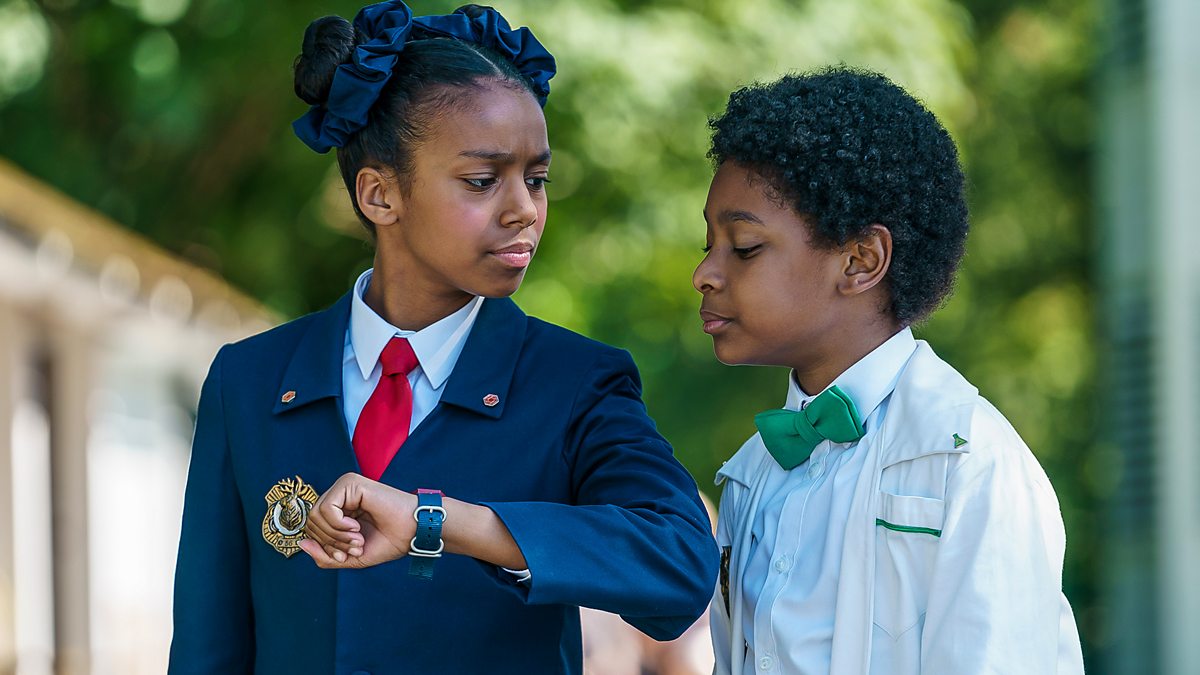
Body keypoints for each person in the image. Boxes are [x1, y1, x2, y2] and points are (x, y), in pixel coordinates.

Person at [167, 2, 717, 674]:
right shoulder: (248, 380)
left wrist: (442, 522)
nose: (525, 209)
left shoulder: (577, 382)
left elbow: (680, 562)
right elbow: (207, 647)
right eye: (483, 181)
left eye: (537, 179)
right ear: (379, 195)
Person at [694, 67, 1085, 674]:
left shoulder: (969, 464)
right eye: (708, 245)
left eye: (743, 247)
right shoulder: (751, 476)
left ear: (860, 260)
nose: (705, 274)